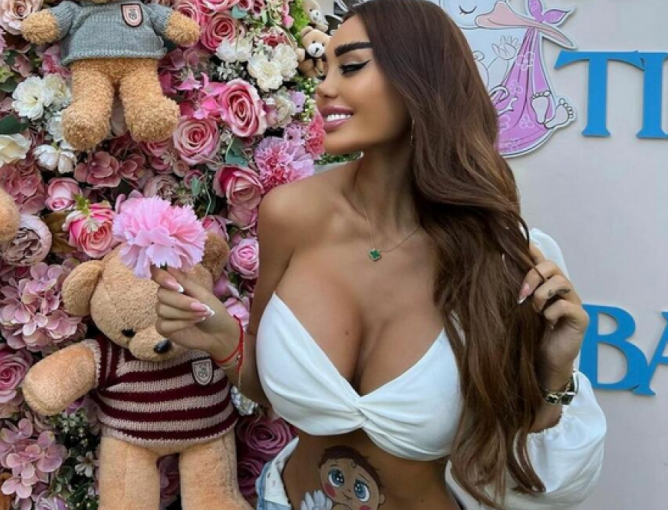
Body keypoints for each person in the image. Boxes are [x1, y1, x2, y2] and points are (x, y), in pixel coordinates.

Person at [150, 1, 606, 509]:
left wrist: (554, 372)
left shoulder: (497, 256)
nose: (324, 88)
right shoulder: (291, 214)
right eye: (324, 70)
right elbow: (267, 385)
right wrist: (224, 340)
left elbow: (534, 478)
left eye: (351, 66)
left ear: (420, 78)